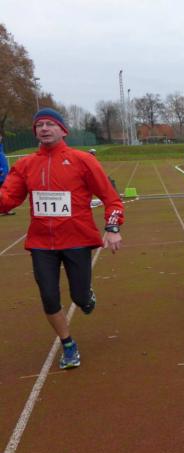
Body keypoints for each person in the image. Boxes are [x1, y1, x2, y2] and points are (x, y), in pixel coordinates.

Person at [0, 108, 124, 369]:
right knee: (49, 296)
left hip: (77, 239)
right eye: (39, 125)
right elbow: (8, 199)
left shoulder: (82, 160)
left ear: (62, 129)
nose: (44, 129)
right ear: (35, 131)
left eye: (50, 124)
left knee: (79, 298)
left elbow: (110, 197)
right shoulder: (25, 165)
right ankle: (68, 344)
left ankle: (85, 296)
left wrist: (113, 228)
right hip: (41, 243)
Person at [0, 133, 13, 215]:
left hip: (4, 176)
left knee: (5, 194)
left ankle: (6, 209)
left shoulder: (1, 149)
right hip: (1, 175)